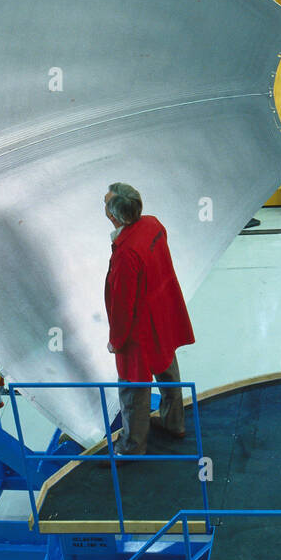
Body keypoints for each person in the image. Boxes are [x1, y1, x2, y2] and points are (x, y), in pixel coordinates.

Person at [103, 182, 195, 457]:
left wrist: (116, 341)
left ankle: (131, 446)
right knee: (167, 367)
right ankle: (173, 420)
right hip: (163, 313)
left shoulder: (126, 254)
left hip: (139, 330)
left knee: (133, 388)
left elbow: (122, 307)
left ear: (114, 216)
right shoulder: (153, 226)